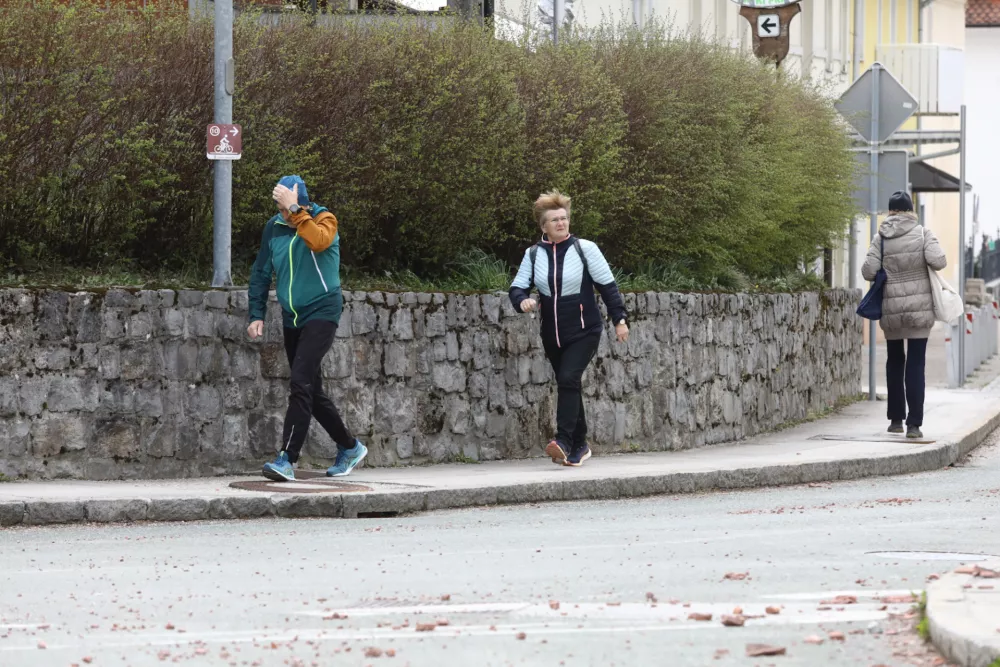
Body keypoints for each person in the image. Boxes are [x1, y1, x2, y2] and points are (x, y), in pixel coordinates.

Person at [247, 175, 368, 481]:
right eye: (279, 207)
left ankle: (287, 458)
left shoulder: (323, 219)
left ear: (300, 202)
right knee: (310, 392)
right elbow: (261, 271)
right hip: (293, 317)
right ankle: (350, 447)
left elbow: (318, 241)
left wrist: (298, 211)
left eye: (286, 207)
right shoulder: (274, 228)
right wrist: (255, 314)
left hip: (322, 310)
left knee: (300, 383)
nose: (282, 214)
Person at [509, 190, 629, 467]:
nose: (561, 223)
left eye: (564, 218)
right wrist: (523, 300)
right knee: (569, 383)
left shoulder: (585, 249)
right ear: (544, 227)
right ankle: (580, 446)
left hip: (585, 330)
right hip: (552, 333)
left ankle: (562, 440)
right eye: (555, 220)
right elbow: (517, 287)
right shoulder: (533, 254)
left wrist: (619, 320)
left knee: (567, 379)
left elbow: (608, 288)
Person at [862, 191, 947, 440]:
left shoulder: (881, 237)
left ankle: (896, 420)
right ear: (911, 210)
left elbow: (868, 271)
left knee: (895, 361)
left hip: (892, 309)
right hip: (920, 309)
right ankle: (915, 425)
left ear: (890, 212)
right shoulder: (923, 233)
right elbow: (939, 261)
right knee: (916, 363)